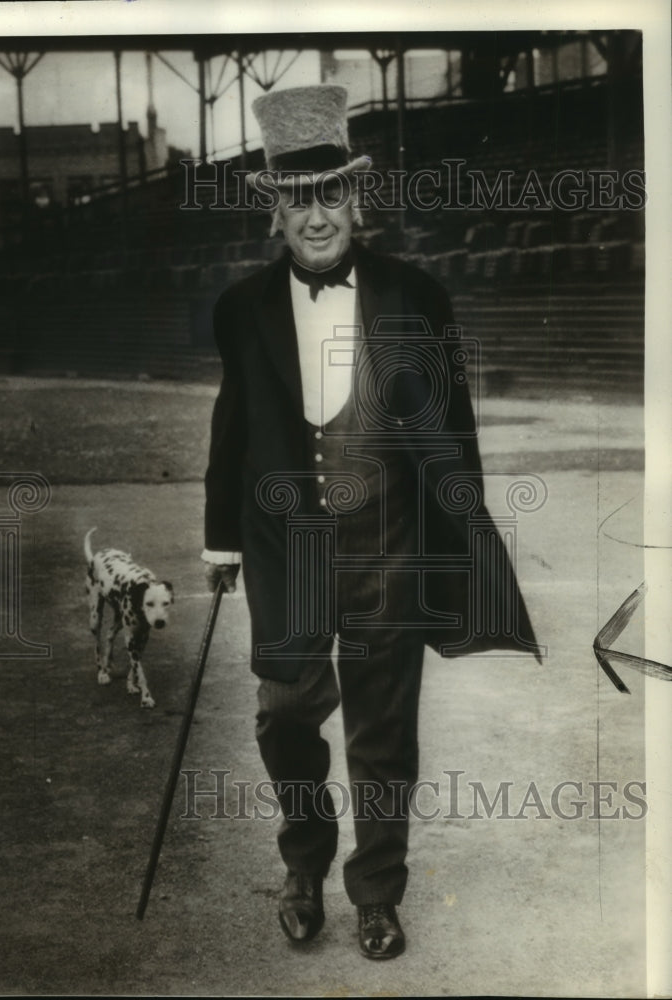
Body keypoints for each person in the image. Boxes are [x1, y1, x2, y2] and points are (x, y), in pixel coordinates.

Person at [202, 84, 541, 960]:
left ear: (356, 198)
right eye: (296, 200)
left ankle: (377, 895)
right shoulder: (241, 310)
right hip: (291, 551)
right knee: (284, 715)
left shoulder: (415, 295)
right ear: (273, 213)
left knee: (384, 730)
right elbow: (232, 429)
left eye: (330, 196)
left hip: (390, 542)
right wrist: (221, 537)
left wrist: (462, 537)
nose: (316, 218)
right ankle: (304, 865)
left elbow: (452, 430)